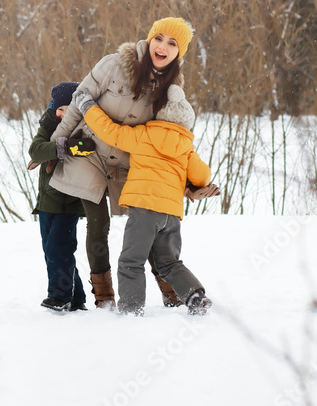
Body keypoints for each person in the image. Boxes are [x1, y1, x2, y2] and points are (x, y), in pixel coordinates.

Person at [48, 17, 193, 308]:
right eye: (159, 38)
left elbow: (171, 137)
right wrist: (57, 145)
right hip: (90, 152)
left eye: (172, 43)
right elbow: (80, 100)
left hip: (129, 162)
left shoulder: (172, 90)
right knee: (98, 224)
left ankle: (171, 290)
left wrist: (187, 179)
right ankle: (104, 296)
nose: (162, 46)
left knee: (146, 225)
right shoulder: (114, 64)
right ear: (149, 38)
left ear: (180, 52)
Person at [71, 83, 220, 315]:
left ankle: (131, 311)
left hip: (144, 211)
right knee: (169, 263)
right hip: (171, 215)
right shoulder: (186, 148)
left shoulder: (143, 135)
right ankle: (195, 297)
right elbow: (202, 175)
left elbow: (109, 131)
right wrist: (194, 184)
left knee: (131, 261)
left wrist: (87, 106)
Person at [27, 82, 95, 313]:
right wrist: (58, 147)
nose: (63, 113)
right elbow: (36, 150)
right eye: (60, 109)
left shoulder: (83, 126)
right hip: (46, 202)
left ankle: (59, 296)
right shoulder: (47, 126)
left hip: (69, 202)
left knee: (59, 248)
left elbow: (87, 147)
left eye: (69, 108)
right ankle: (77, 298)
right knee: (53, 250)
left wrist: (67, 146)